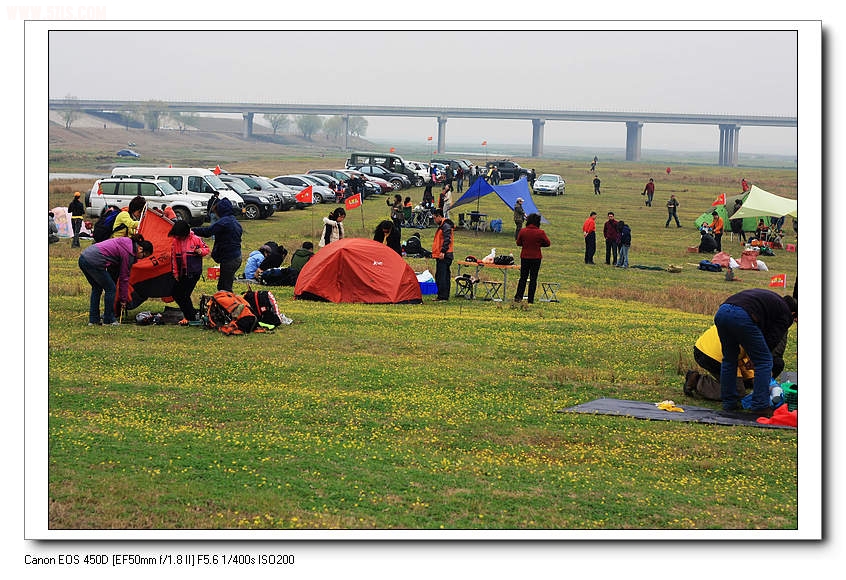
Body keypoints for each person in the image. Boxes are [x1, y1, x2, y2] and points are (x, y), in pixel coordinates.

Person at [714, 289, 797, 417]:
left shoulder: (772, 301)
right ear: (793, 313)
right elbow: (772, 340)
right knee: (764, 361)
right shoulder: (786, 313)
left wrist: (754, 354)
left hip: (722, 312)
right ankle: (760, 406)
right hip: (742, 315)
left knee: (730, 359)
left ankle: (729, 403)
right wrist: (756, 357)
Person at [692, 324, 788, 398]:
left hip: (711, 348)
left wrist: (755, 379)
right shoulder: (756, 335)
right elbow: (736, 361)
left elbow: (747, 362)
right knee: (737, 393)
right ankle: (697, 382)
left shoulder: (754, 324)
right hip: (710, 354)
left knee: (744, 384)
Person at [77, 233, 153, 326]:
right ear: (140, 249)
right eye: (143, 256)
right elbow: (124, 278)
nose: (141, 258)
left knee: (97, 288)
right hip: (94, 261)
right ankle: (108, 320)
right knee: (111, 289)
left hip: (83, 258)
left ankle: (94, 320)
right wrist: (123, 299)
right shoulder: (128, 253)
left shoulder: (126, 242)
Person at [192, 197, 243, 293]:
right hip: (236, 257)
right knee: (226, 284)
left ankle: (228, 305)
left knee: (224, 287)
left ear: (221, 210)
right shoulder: (234, 221)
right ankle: (228, 303)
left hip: (230, 259)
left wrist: (191, 230)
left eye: (217, 211)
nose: (216, 214)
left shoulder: (224, 222)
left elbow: (207, 232)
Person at [167, 219, 209, 324]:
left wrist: (200, 251)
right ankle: (190, 314)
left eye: (179, 235)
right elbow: (174, 259)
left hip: (193, 273)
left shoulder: (196, 239)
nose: (178, 237)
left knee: (184, 295)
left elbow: (206, 249)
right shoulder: (175, 242)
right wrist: (175, 273)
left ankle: (190, 317)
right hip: (182, 273)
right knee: (176, 294)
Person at [513, 213, 551, 305]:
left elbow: (518, 243)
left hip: (525, 256)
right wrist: (538, 244)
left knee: (523, 278)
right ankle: (530, 299)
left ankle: (518, 297)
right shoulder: (540, 232)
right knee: (533, 278)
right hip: (536, 257)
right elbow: (547, 243)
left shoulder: (523, 231)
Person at [431, 208, 454, 301]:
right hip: (443, 255)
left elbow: (447, 239)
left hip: (444, 255)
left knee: (442, 276)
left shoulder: (445, 226)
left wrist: (443, 251)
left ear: (439, 216)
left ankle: (442, 296)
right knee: (443, 275)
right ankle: (443, 295)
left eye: (434, 218)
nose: (434, 220)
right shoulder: (443, 225)